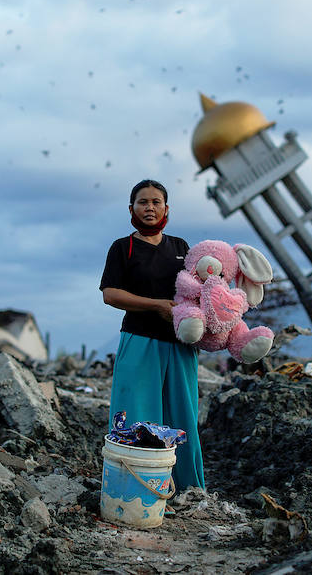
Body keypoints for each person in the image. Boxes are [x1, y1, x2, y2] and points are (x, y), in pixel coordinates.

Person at [99, 179, 205, 491]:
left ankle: (188, 490)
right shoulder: (123, 247)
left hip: (180, 345)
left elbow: (196, 290)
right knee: (136, 416)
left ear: (166, 208)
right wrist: (155, 305)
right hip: (140, 340)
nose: (149, 207)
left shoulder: (181, 247)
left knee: (182, 418)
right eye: (143, 202)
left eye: (156, 202)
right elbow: (110, 294)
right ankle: (133, 488)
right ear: (131, 208)